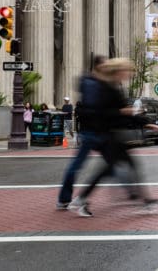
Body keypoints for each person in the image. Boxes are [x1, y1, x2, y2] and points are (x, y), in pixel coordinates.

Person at [67, 58, 158, 217]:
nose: (129, 74)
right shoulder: (105, 88)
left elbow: (125, 114)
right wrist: (123, 113)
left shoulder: (114, 88)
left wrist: (146, 124)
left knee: (108, 170)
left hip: (113, 137)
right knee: (123, 168)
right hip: (109, 137)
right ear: (118, 71)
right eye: (127, 70)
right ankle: (147, 202)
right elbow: (103, 113)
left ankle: (80, 200)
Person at [57, 59, 105, 210]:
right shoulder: (93, 84)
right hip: (93, 131)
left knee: (78, 164)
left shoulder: (88, 82)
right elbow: (94, 106)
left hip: (91, 130)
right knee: (115, 161)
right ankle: (70, 198)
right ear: (98, 67)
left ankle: (65, 198)